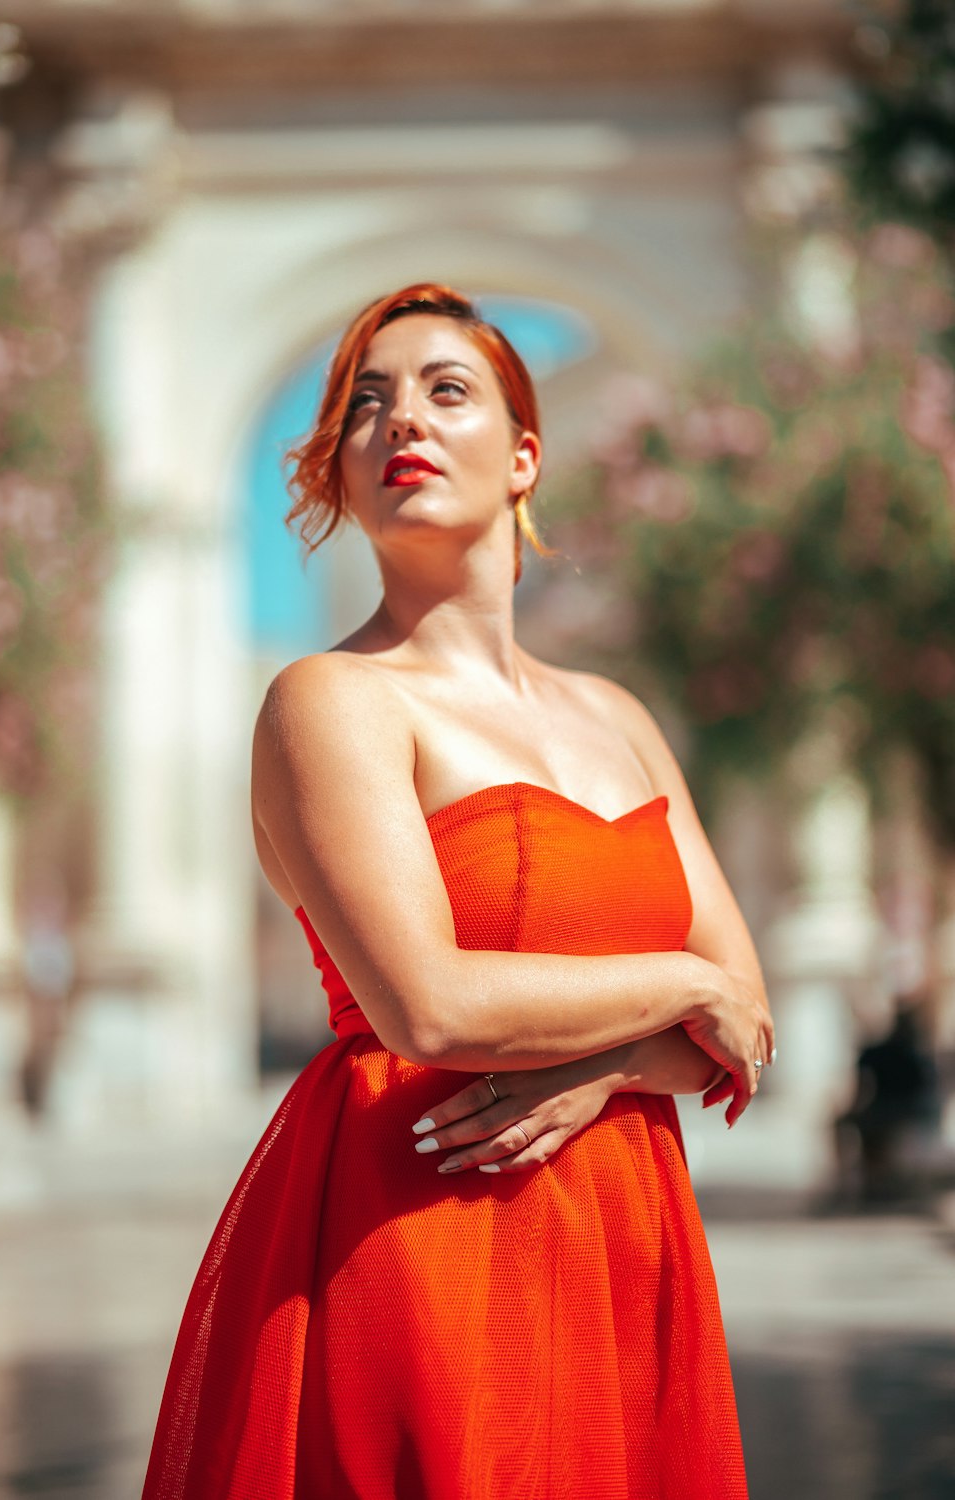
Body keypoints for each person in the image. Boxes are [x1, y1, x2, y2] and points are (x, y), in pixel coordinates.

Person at [141, 283, 775, 1500]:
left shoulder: (620, 720)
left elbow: (746, 1026)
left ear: (524, 456)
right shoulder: (329, 702)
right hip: (416, 1228)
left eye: (446, 390)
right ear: (338, 470)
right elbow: (426, 1009)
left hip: (623, 1235)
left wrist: (606, 1067)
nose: (398, 423)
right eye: (363, 407)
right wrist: (682, 990)